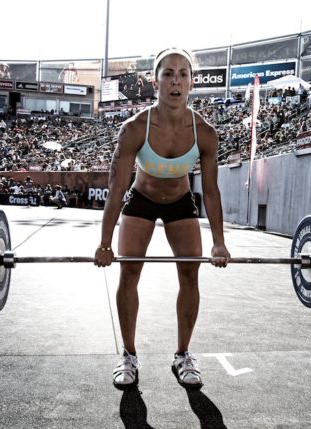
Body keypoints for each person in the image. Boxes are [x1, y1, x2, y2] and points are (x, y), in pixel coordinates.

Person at [94, 47, 230, 390]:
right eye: (168, 73)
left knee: (190, 273)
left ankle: (183, 354)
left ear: (191, 83)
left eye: (183, 74)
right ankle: (128, 355)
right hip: (141, 201)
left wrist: (219, 242)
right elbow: (115, 189)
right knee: (129, 271)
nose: (175, 81)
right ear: (155, 82)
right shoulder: (135, 129)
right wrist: (105, 243)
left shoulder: (205, 132)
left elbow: (211, 192)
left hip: (181, 202)